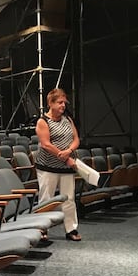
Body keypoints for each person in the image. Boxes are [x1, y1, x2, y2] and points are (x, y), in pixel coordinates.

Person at [34, 88, 81, 241]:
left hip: (66, 167)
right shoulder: (43, 121)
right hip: (48, 166)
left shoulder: (68, 119)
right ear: (50, 103)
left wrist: (69, 150)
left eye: (64, 103)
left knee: (69, 199)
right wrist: (65, 157)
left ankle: (71, 229)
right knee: (46, 198)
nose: (63, 105)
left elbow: (76, 139)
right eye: (59, 102)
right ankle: (42, 230)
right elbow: (46, 144)